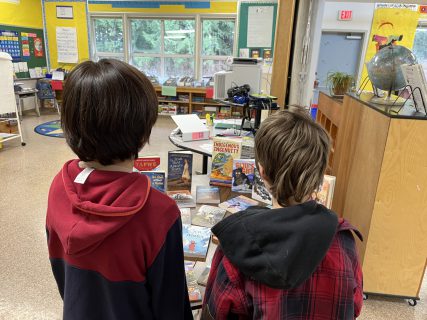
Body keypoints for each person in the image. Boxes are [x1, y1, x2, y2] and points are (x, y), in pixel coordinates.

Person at [46, 59, 192, 320]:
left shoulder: (59, 186)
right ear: (142, 132)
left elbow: (63, 276)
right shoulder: (160, 212)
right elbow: (171, 305)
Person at [202, 109, 363, 320]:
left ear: (262, 172)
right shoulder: (344, 242)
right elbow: (355, 306)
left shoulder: (238, 247)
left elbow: (216, 313)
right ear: (320, 173)